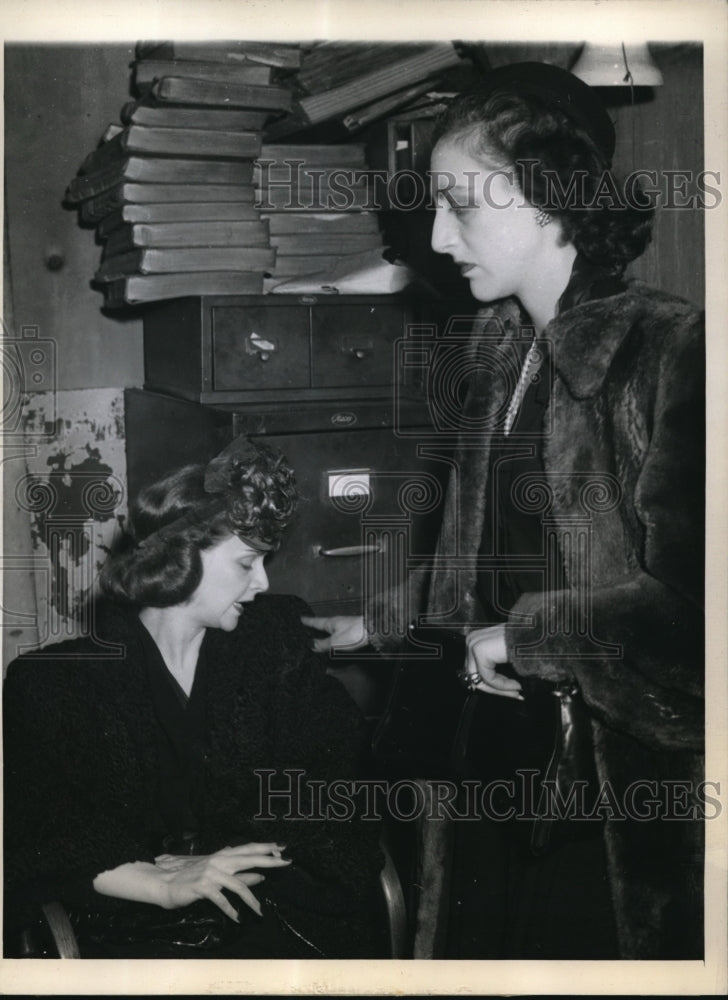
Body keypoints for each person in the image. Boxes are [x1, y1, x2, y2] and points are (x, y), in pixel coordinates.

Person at [303, 62, 705, 960]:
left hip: (607, 806)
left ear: (551, 194)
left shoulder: (670, 351)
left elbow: (697, 625)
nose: (440, 236)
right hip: (489, 769)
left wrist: (533, 640)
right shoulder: (499, 349)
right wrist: (379, 622)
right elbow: (493, 558)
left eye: (462, 204)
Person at [3, 436, 385, 959]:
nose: (262, 583)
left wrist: (220, 854)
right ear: (179, 560)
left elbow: (333, 787)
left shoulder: (275, 642)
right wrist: (154, 880)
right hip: (128, 930)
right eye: (247, 563)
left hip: (269, 907)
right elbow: (33, 833)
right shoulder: (55, 683)